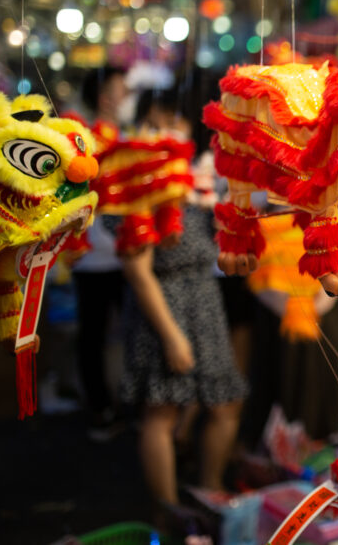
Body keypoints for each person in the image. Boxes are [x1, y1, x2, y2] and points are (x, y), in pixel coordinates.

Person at [119, 89, 247, 503]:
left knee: (225, 402)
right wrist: (172, 336)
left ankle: (209, 488)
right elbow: (138, 274)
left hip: (205, 299)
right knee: (161, 411)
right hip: (163, 306)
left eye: (174, 122)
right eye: (155, 123)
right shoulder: (137, 182)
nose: (167, 132)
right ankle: (168, 510)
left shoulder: (197, 178)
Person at [73, 66, 132, 440]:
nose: (126, 96)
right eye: (121, 89)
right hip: (94, 254)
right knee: (93, 334)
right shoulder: (81, 139)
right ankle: (99, 408)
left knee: (129, 332)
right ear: (105, 96)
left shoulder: (128, 135)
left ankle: (126, 402)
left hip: (128, 252)